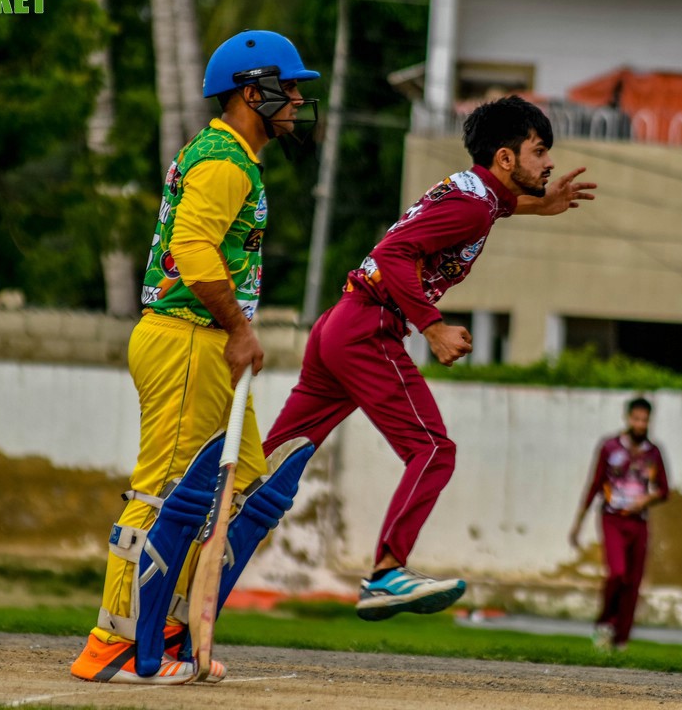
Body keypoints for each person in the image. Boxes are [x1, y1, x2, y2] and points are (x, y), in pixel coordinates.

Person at [253, 95, 596, 622]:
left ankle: (203, 515)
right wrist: (432, 327)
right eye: (539, 151)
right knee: (433, 450)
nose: (549, 162)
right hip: (369, 328)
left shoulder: (477, 193)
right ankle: (387, 574)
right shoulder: (474, 206)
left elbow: (499, 208)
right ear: (506, 158)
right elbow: (393, 253)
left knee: (274, 461)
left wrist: (543, 206)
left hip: (340, 323)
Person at [70, 30, 320, 685]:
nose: (298, 99)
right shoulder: (224, 162)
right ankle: (114, 643)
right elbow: (194, 248)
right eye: (289, 87)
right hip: (188, 336)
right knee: (161, 495)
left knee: (240, 492)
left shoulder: (230, 155)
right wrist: (239, 328)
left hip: (201, 340)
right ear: (251, 92)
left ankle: (170, 629)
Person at [569, 396, 670, 651]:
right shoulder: (610, 447)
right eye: (636, 419)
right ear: (627, 418)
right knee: (617, 573)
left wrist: (646, 499)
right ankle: (604, 623)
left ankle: (621, 640)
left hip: (639, 522)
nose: (640, 424)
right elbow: (594, 484)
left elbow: (664, 490)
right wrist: (578, 522)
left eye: (644, 420)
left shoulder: (653, 453)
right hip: (612, 518)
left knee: (633, 582)